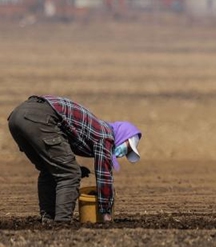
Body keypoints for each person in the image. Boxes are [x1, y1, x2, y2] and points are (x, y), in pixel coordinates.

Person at [7, 95, 142, 223]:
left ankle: (48, 221)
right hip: (40, 118)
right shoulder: (106, 135)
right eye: (128, 147)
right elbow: (104, 176)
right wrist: (106, 213)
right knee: (70, 174)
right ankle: (61, 223)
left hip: (17, 117)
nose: (124, 153)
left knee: (49, 170)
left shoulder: (95, 128)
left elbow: (60, 155)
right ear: (123, 136)